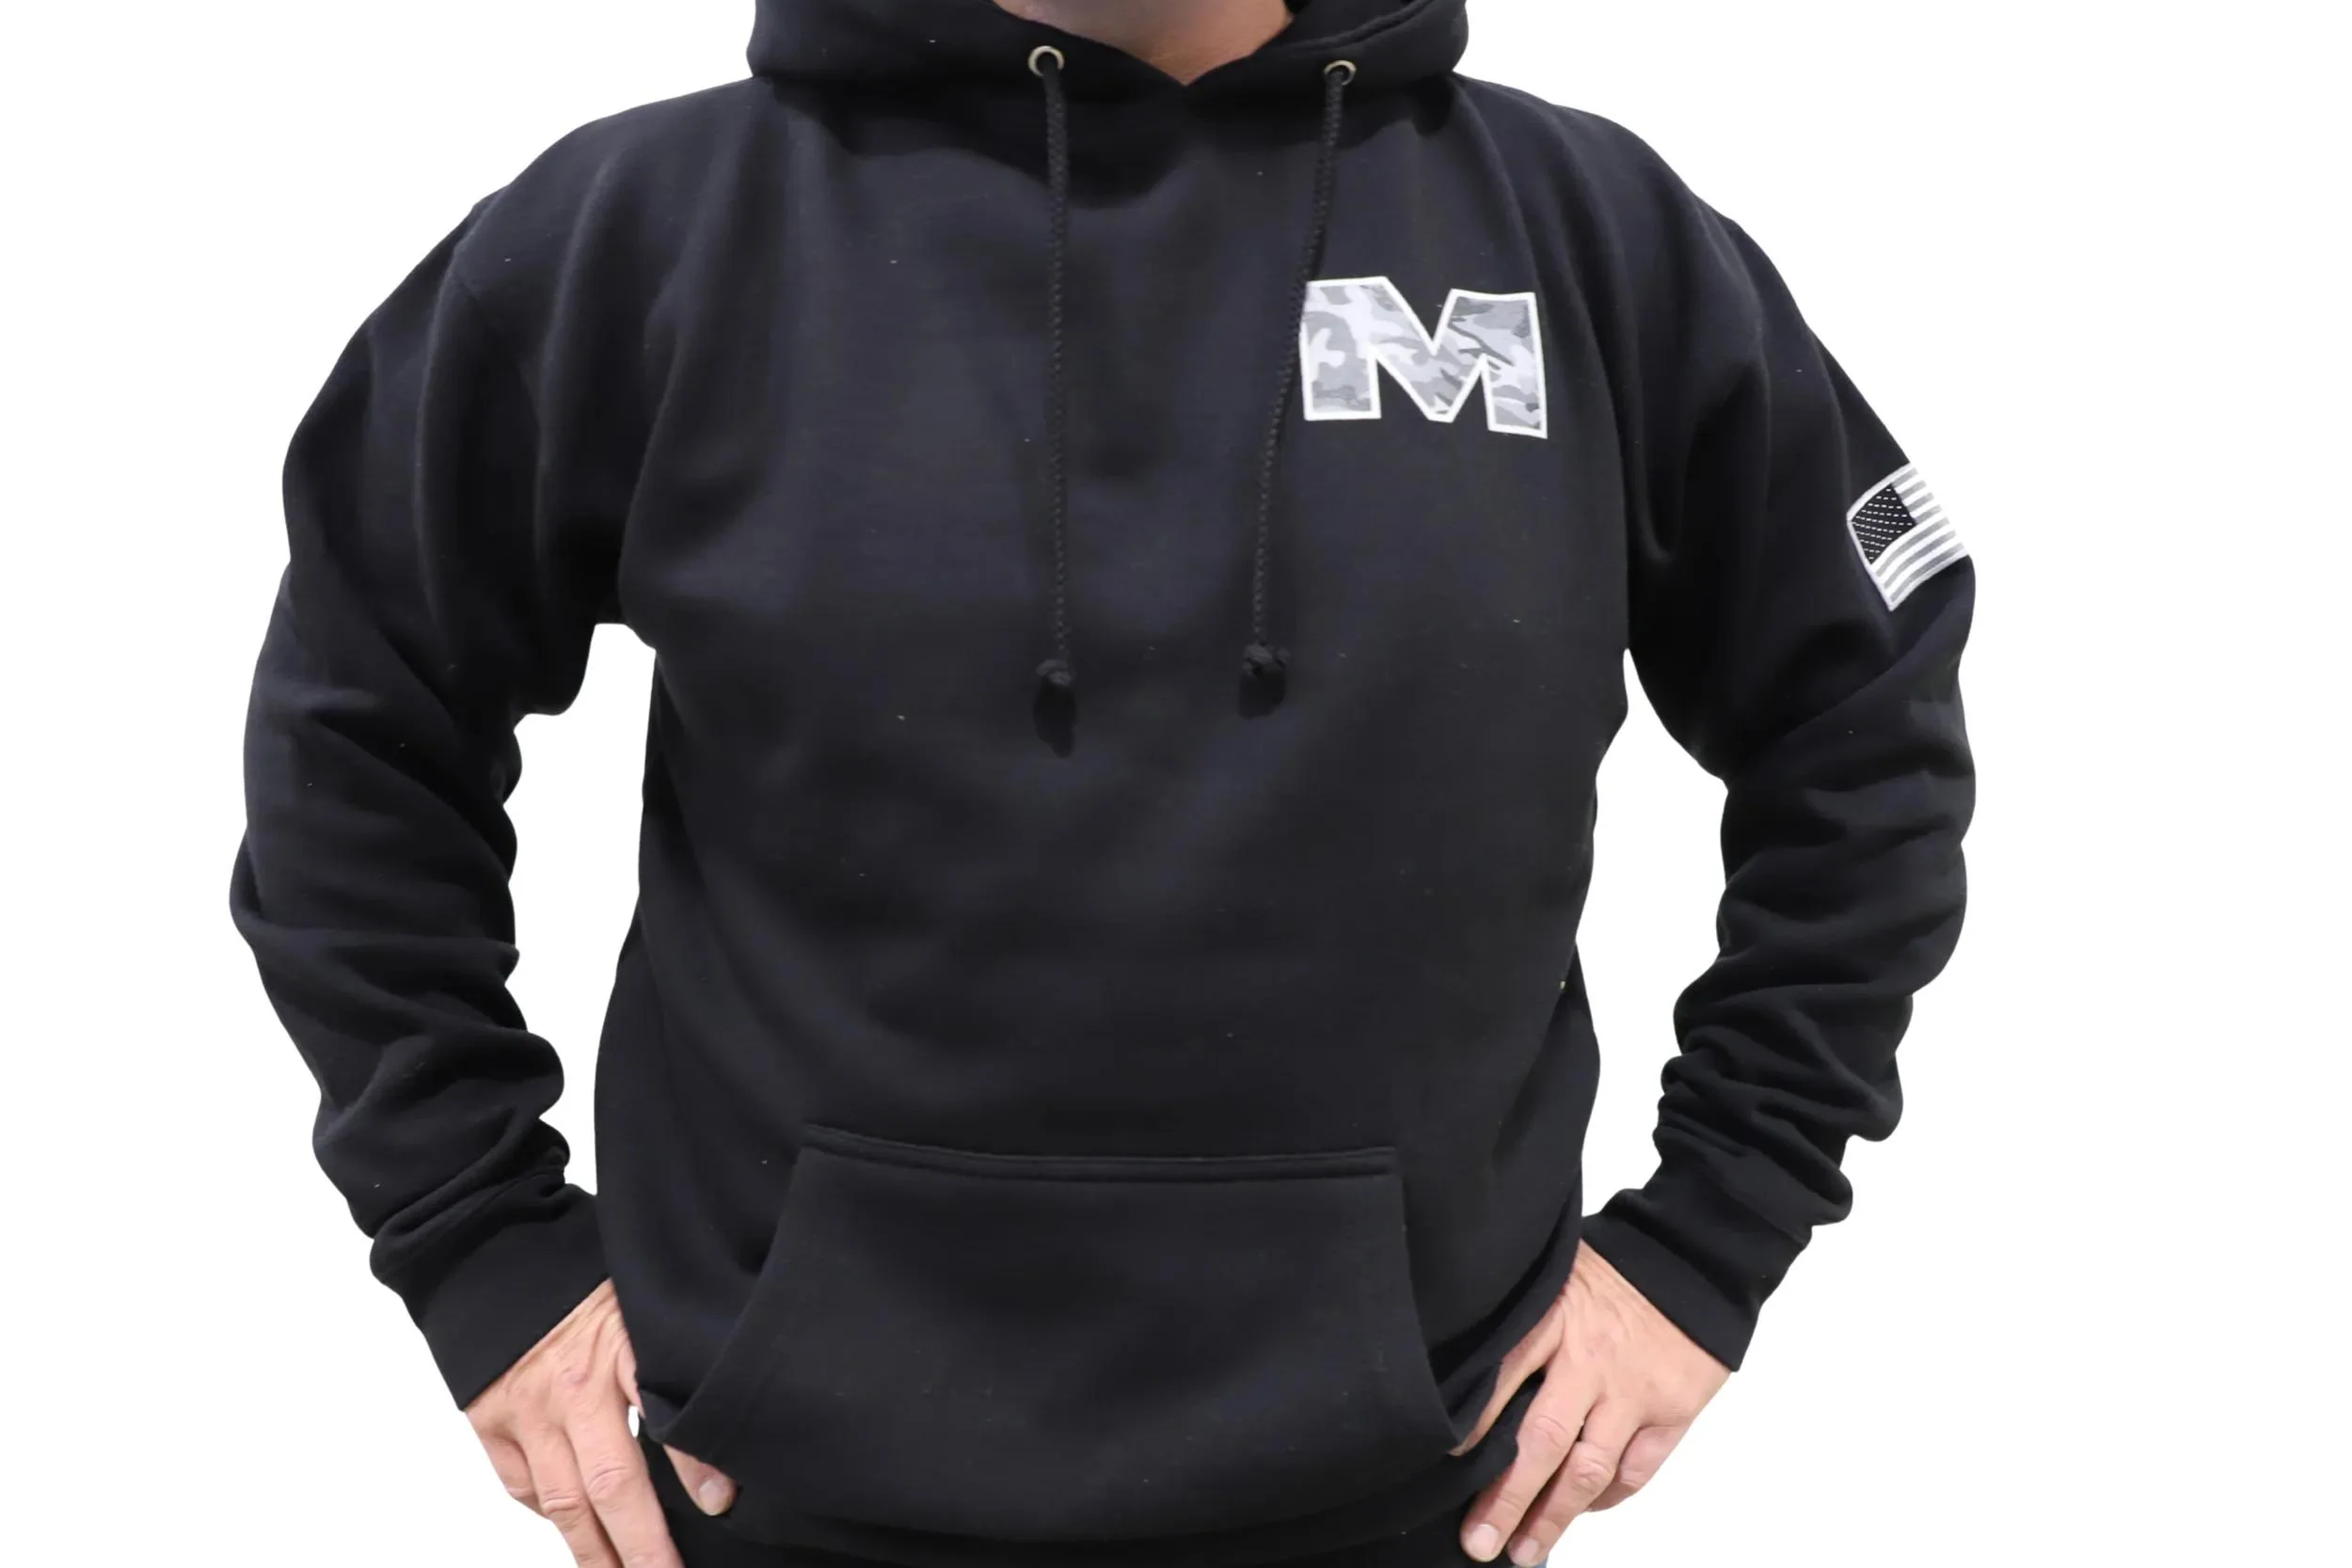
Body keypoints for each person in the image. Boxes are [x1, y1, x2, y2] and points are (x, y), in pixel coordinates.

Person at [228, 1, 1976, 1564]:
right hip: (771, 1494)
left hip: (1416, 1482)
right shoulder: (652, 231)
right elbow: (356, 728)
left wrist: (1707, 1239)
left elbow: (1861, 716)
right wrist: (486, 1249)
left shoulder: (1586, 238)